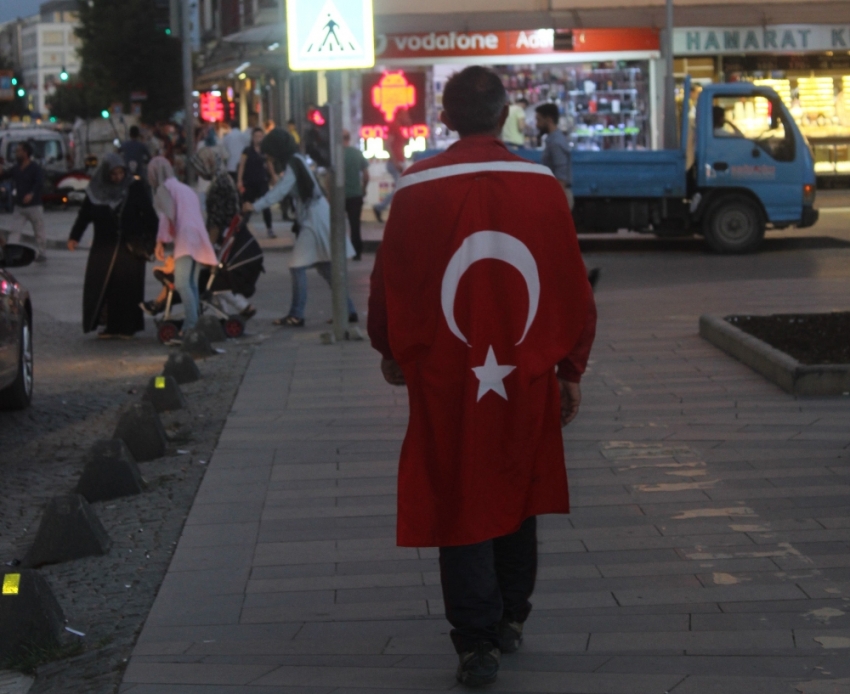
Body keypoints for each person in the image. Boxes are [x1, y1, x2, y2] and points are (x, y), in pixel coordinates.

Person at [367, 65, 596, 688]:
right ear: (504, 115)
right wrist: (570, 368)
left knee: (459, 491)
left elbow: (390, 278)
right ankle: (511, 617)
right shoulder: (542, 184)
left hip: (446, 376)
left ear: (444, 118)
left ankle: (474, 640)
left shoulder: (415, 187)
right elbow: (572, 284)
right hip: (522, 372)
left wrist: (389, 348)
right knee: (518, 487)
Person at [242, 129, 357, 327]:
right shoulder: (297, 160)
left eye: (270, 152)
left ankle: (297, 314)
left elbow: (280, 191)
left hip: (314, 218)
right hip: (315, 215)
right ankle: (347, 309)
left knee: (297, 266)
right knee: (325, 267)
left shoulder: (293, 164)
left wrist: (255, 205)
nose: (268, 157)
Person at [67, 153, 158, 338]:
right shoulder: (96, 190)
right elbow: (85, 214)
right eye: (113, 174)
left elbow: (149, 215)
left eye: (120, 173)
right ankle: (110, 326)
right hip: (103, 247)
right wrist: (74, 236)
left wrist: (153, 241)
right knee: (105, 287)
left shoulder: (134, 188)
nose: (117, 178)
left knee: (127, 289)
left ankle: (127, 328)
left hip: (130, 248)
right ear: (106, 174)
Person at [148, 156, 218, 334]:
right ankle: (195, 322)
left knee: (181, 283)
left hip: (186, 238)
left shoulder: (165, 189)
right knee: (192, 283)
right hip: (198, 237)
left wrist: (160, 242)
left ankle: (191, 324)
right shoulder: (185, 188)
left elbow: (166, 216)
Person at [187, 146, 256, 319]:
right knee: (215, 277)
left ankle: (241, 307)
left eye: (199, 167)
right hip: (229, 235)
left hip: (223, 237)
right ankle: (222, 315)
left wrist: (208, 247)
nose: (198, 172)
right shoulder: (225, 178)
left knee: (213, 275)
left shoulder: (219, 185)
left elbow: (216, 221)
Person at [0, 142, 47, 261]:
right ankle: (10, 253)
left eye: (18, 151)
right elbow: (5, 175)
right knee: (14, 231)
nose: (16, 153)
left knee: (38, 230)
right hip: (19, 206)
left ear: (25, 153)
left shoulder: (35, 168)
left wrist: (31, 194)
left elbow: (39, 183)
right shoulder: (16, 168)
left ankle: (42, 253)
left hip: (34, 206)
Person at [371, 107, 410, 223]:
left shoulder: (398, 127)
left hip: (397, 161)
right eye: (405, 114)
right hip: (395, 162)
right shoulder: (394, 126)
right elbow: (388, 144)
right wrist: (395, 161)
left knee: (401, 188)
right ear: (399, 115)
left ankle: (384, 208)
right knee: (401, 188)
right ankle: (381, 207)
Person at [237, 127, 275, 238]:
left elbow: (269, 164)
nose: (258, 139)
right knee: (247, 207)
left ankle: (269, 229)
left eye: (260, 136)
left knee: (266, 206)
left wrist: (273, 176)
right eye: (256, 136)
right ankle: (240, 229)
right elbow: (242, 166)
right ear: (252, 138)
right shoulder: (247, 151)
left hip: (262, 181)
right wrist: (239, 180)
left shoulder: (265, 151)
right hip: (249, 182)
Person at [535, 102, 573, 210]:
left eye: (539, 120)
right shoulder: (554, 140)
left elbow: (561, 174)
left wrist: (556, 201)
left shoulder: (555, 142)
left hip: (558, 195)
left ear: (549, 120)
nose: (537, 124)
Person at [343, 129, 369, 260]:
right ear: (349, 138)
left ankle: (340, 251)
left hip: (340, 196)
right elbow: (366, 175)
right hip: (355, 195)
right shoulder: (357, 154)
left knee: (337, 225)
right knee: (355, 224)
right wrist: (363, 189)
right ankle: (357, 251)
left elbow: (329, 178)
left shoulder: (336, 154)